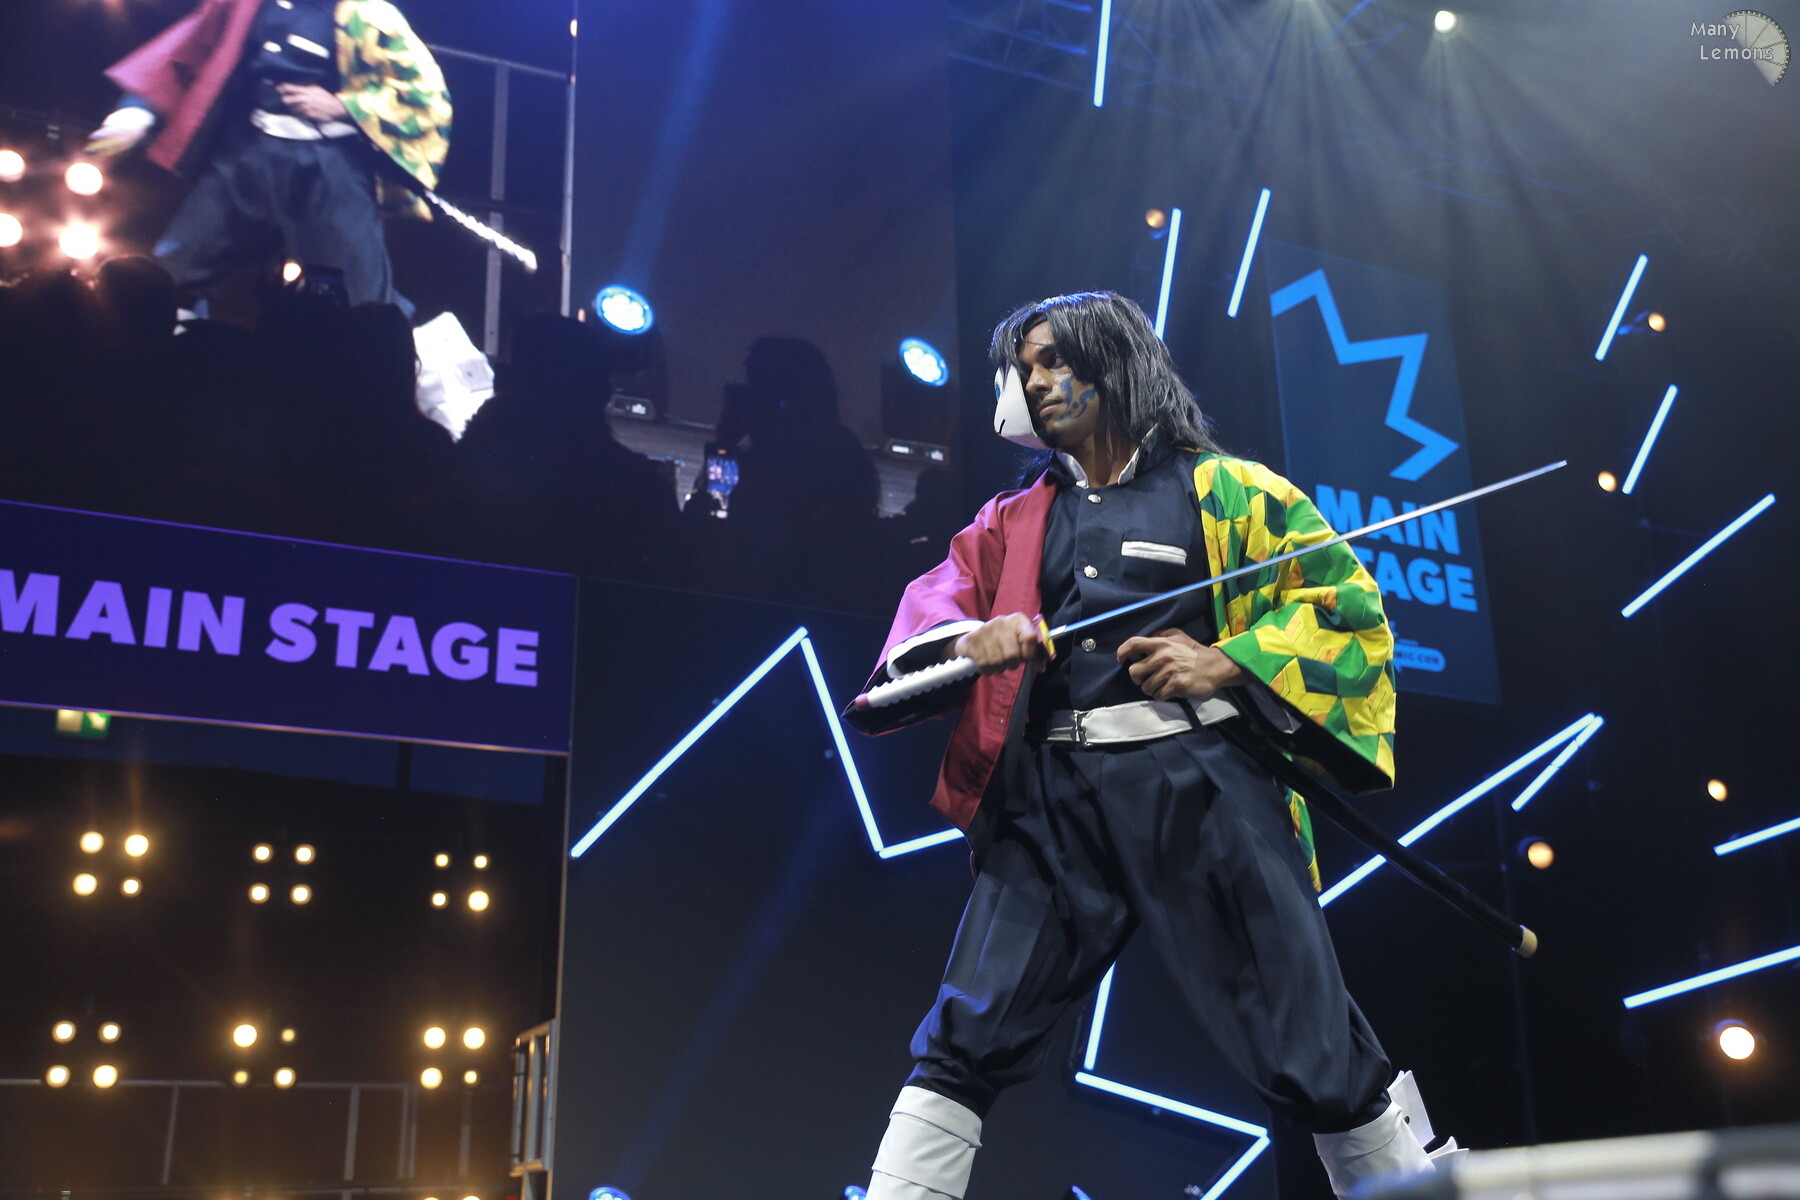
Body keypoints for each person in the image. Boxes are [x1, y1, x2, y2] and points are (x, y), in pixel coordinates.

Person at [845, 292, 1458, 1198]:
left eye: (1056, 360)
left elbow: (1348, 613)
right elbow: (923, 628)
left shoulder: (1234, 493)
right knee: (966, 1031)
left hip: (1203, 794)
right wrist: (976, 640)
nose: (1036, 382)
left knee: (1312, 1044)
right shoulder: (1010, 521)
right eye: (1025, 368)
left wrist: (1226, 662)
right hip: (1052, 803)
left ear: (1116, 361)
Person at [88, 0, 451, 309]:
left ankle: (413, 363)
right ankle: (154, 356)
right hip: (249, 158)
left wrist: (344, 107)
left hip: (328, 169)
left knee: (361, 298)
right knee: (172, 273)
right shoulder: (246, 4)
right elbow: (188, 48)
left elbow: (424, 94)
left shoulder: (366, 14)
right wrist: (137, 110)